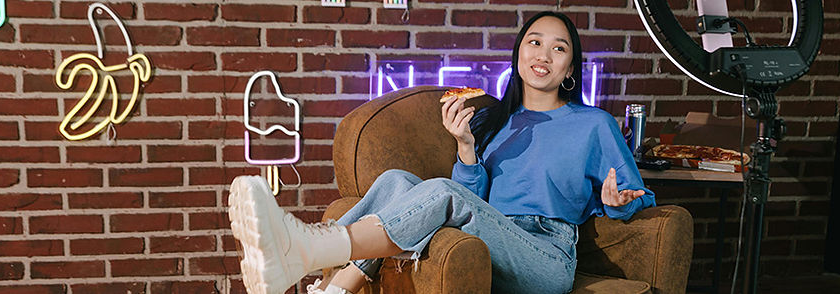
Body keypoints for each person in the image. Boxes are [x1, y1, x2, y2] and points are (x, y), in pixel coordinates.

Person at [227, 11, 656, 294]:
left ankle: (309, 249)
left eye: (558, 48)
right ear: (519, 52)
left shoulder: (593, 124)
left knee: (444, 193)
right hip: (491, 236)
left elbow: (638, 197)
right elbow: (475, 197)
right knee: (396, 181)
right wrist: (466, 147)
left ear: (569, 68)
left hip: (546, 255)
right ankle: (335, 288)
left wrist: (614, 204)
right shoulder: (495, 120)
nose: (543, 54)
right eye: (534, 42)